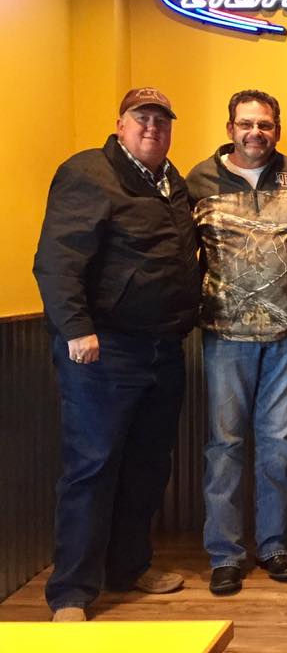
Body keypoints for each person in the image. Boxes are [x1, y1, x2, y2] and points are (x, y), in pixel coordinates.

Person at [33, 87, 201, 622]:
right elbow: (56, 260)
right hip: (103, 350)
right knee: (92, 466)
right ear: (121, 124)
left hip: (163, 347)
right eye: (141, 117)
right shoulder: (88, 173)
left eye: (161, 119)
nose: (152, 127)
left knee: (148, 465)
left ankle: (130, 566)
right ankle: (71, 592)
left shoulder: (173, 183)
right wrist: (76, 329)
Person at [186, 90, 287, 596]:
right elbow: (182, 253)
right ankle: (224, 554)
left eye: (264, 124)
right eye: (246, 124)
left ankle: (274, 544)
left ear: (277, 130)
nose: (255, 133)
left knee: (278, 445)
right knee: (225, 446)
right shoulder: (199, 180)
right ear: (230, 129)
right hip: (225, 335)